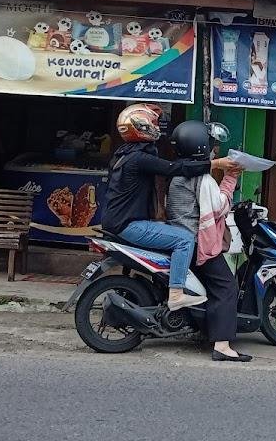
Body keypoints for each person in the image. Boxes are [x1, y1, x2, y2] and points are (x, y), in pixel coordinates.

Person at [101, 104, 236, 312]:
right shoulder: (139, 158)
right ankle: (176, 294)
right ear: (142, 127)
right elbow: (173, 169)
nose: (157, 127)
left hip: (119, 222)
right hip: (129, 225)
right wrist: (218, 164)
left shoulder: (123, 155)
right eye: (153, 123)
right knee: (184, 239)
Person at [165, 120, 252, 363]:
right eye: (212, 148)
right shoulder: (201, 179)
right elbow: (219, 206)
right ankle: (222, 345)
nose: (215, 152)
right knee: (226, 287)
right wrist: (231, 177)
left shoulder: (178, 173)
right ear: (201, 148)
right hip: (196, 242)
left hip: (179, 236)